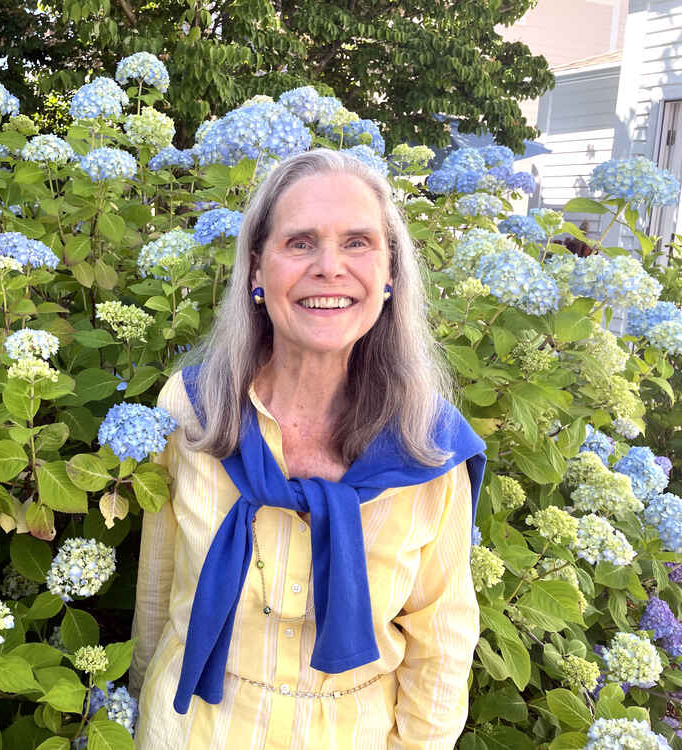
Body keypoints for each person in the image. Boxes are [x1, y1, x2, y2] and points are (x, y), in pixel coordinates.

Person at [128, 148, 487, 749]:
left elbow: (442, 641)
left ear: (391, 272)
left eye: (357, 242)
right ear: (256, 271)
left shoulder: (427, 444)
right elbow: (157, 585)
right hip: (191, 730)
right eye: (299, 243)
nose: (329, 267)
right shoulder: (192, 410)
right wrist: (140, 700)